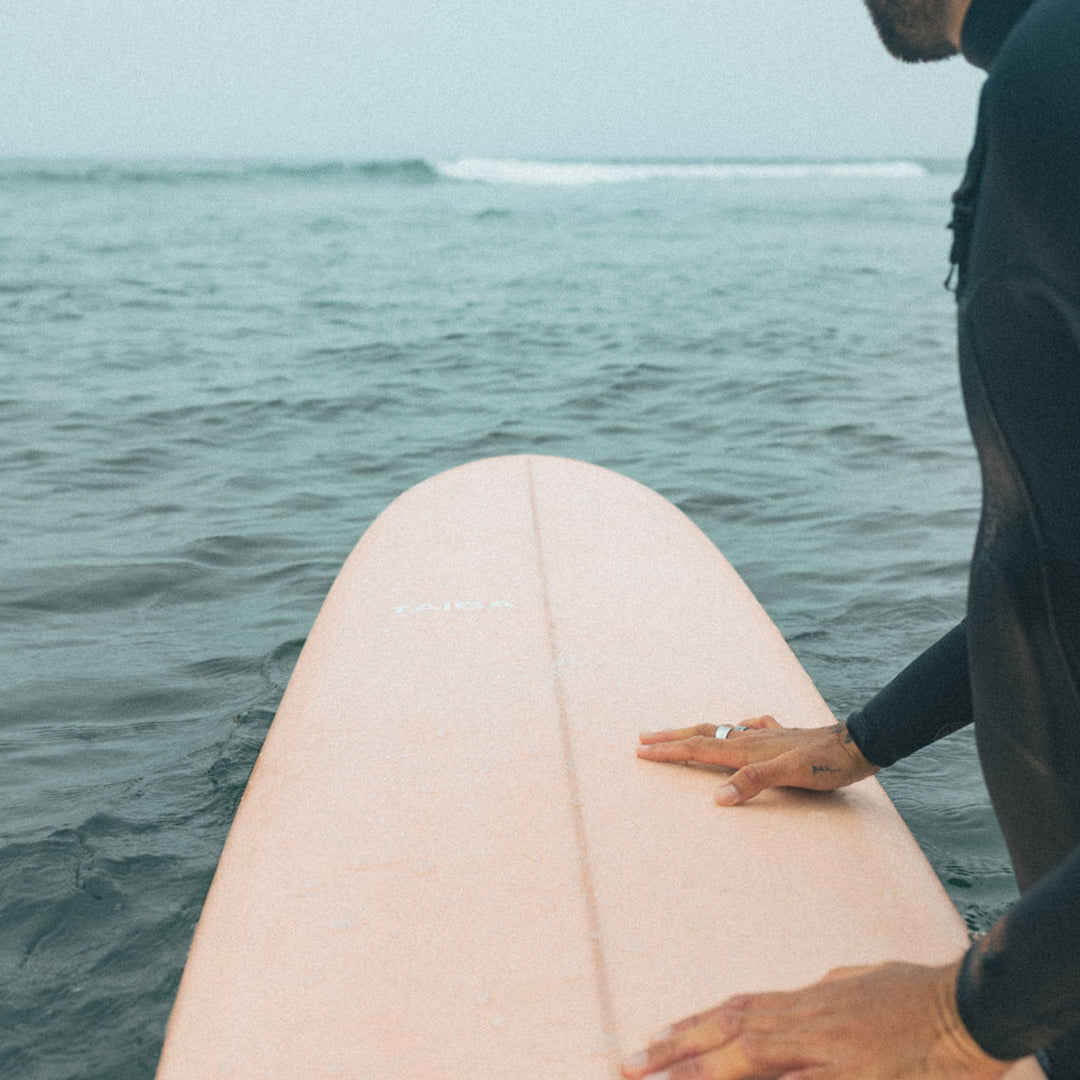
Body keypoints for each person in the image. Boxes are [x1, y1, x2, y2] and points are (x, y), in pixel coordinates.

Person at [621, 0, 1080, 1076]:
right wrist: (866, 737)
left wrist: (965, 1015)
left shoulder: (1058, 75)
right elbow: (1059, 565)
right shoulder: (1040, 73)